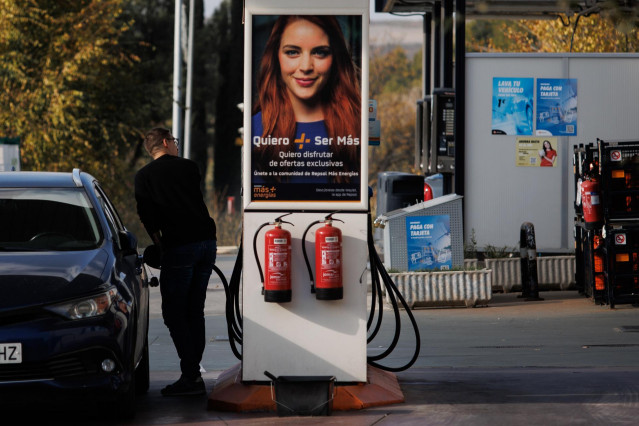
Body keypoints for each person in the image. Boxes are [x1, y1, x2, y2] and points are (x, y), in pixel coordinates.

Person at [134, 127, 217, 397]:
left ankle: (191, 375)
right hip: (207, 242)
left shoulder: (144, 177)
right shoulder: (190, 168)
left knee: (173, 311)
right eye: (175, 142)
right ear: (167, 142)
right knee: (195, 310)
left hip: (179, 245)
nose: (177, 146)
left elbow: (147, 216)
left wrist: (159, 244)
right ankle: (192, 375)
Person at [252, 15, 361, 184]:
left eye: (320, 52)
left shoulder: (354, 125)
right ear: (275, 57)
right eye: (292, 52)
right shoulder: (256, 128)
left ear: (335, 59)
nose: (305, 67)